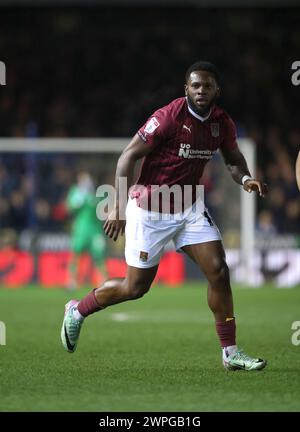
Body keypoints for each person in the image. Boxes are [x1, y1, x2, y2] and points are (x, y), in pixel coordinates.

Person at [61, 61, 268, 371]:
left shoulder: (221, 123)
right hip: (150, 211)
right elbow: (127, 156)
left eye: (207, 86)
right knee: (135, 288)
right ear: (186, 89)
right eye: (195, 85)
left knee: (219, 270)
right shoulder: (168, 117)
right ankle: (77, 310)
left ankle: (230, 352)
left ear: (216, 90)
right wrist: (118, 205)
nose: (201, 90)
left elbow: (234, 159)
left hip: (189, 209)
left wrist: (246, 178)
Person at [66, 171, 106, 290]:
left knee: (99, 256)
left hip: (95, 230)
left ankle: (103, 280)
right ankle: (72, 280)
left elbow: (102, 212)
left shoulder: (97, 195)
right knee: (76, 254)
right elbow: (69, 207)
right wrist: (79, 198)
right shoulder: (75, 192)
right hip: (81, 230)